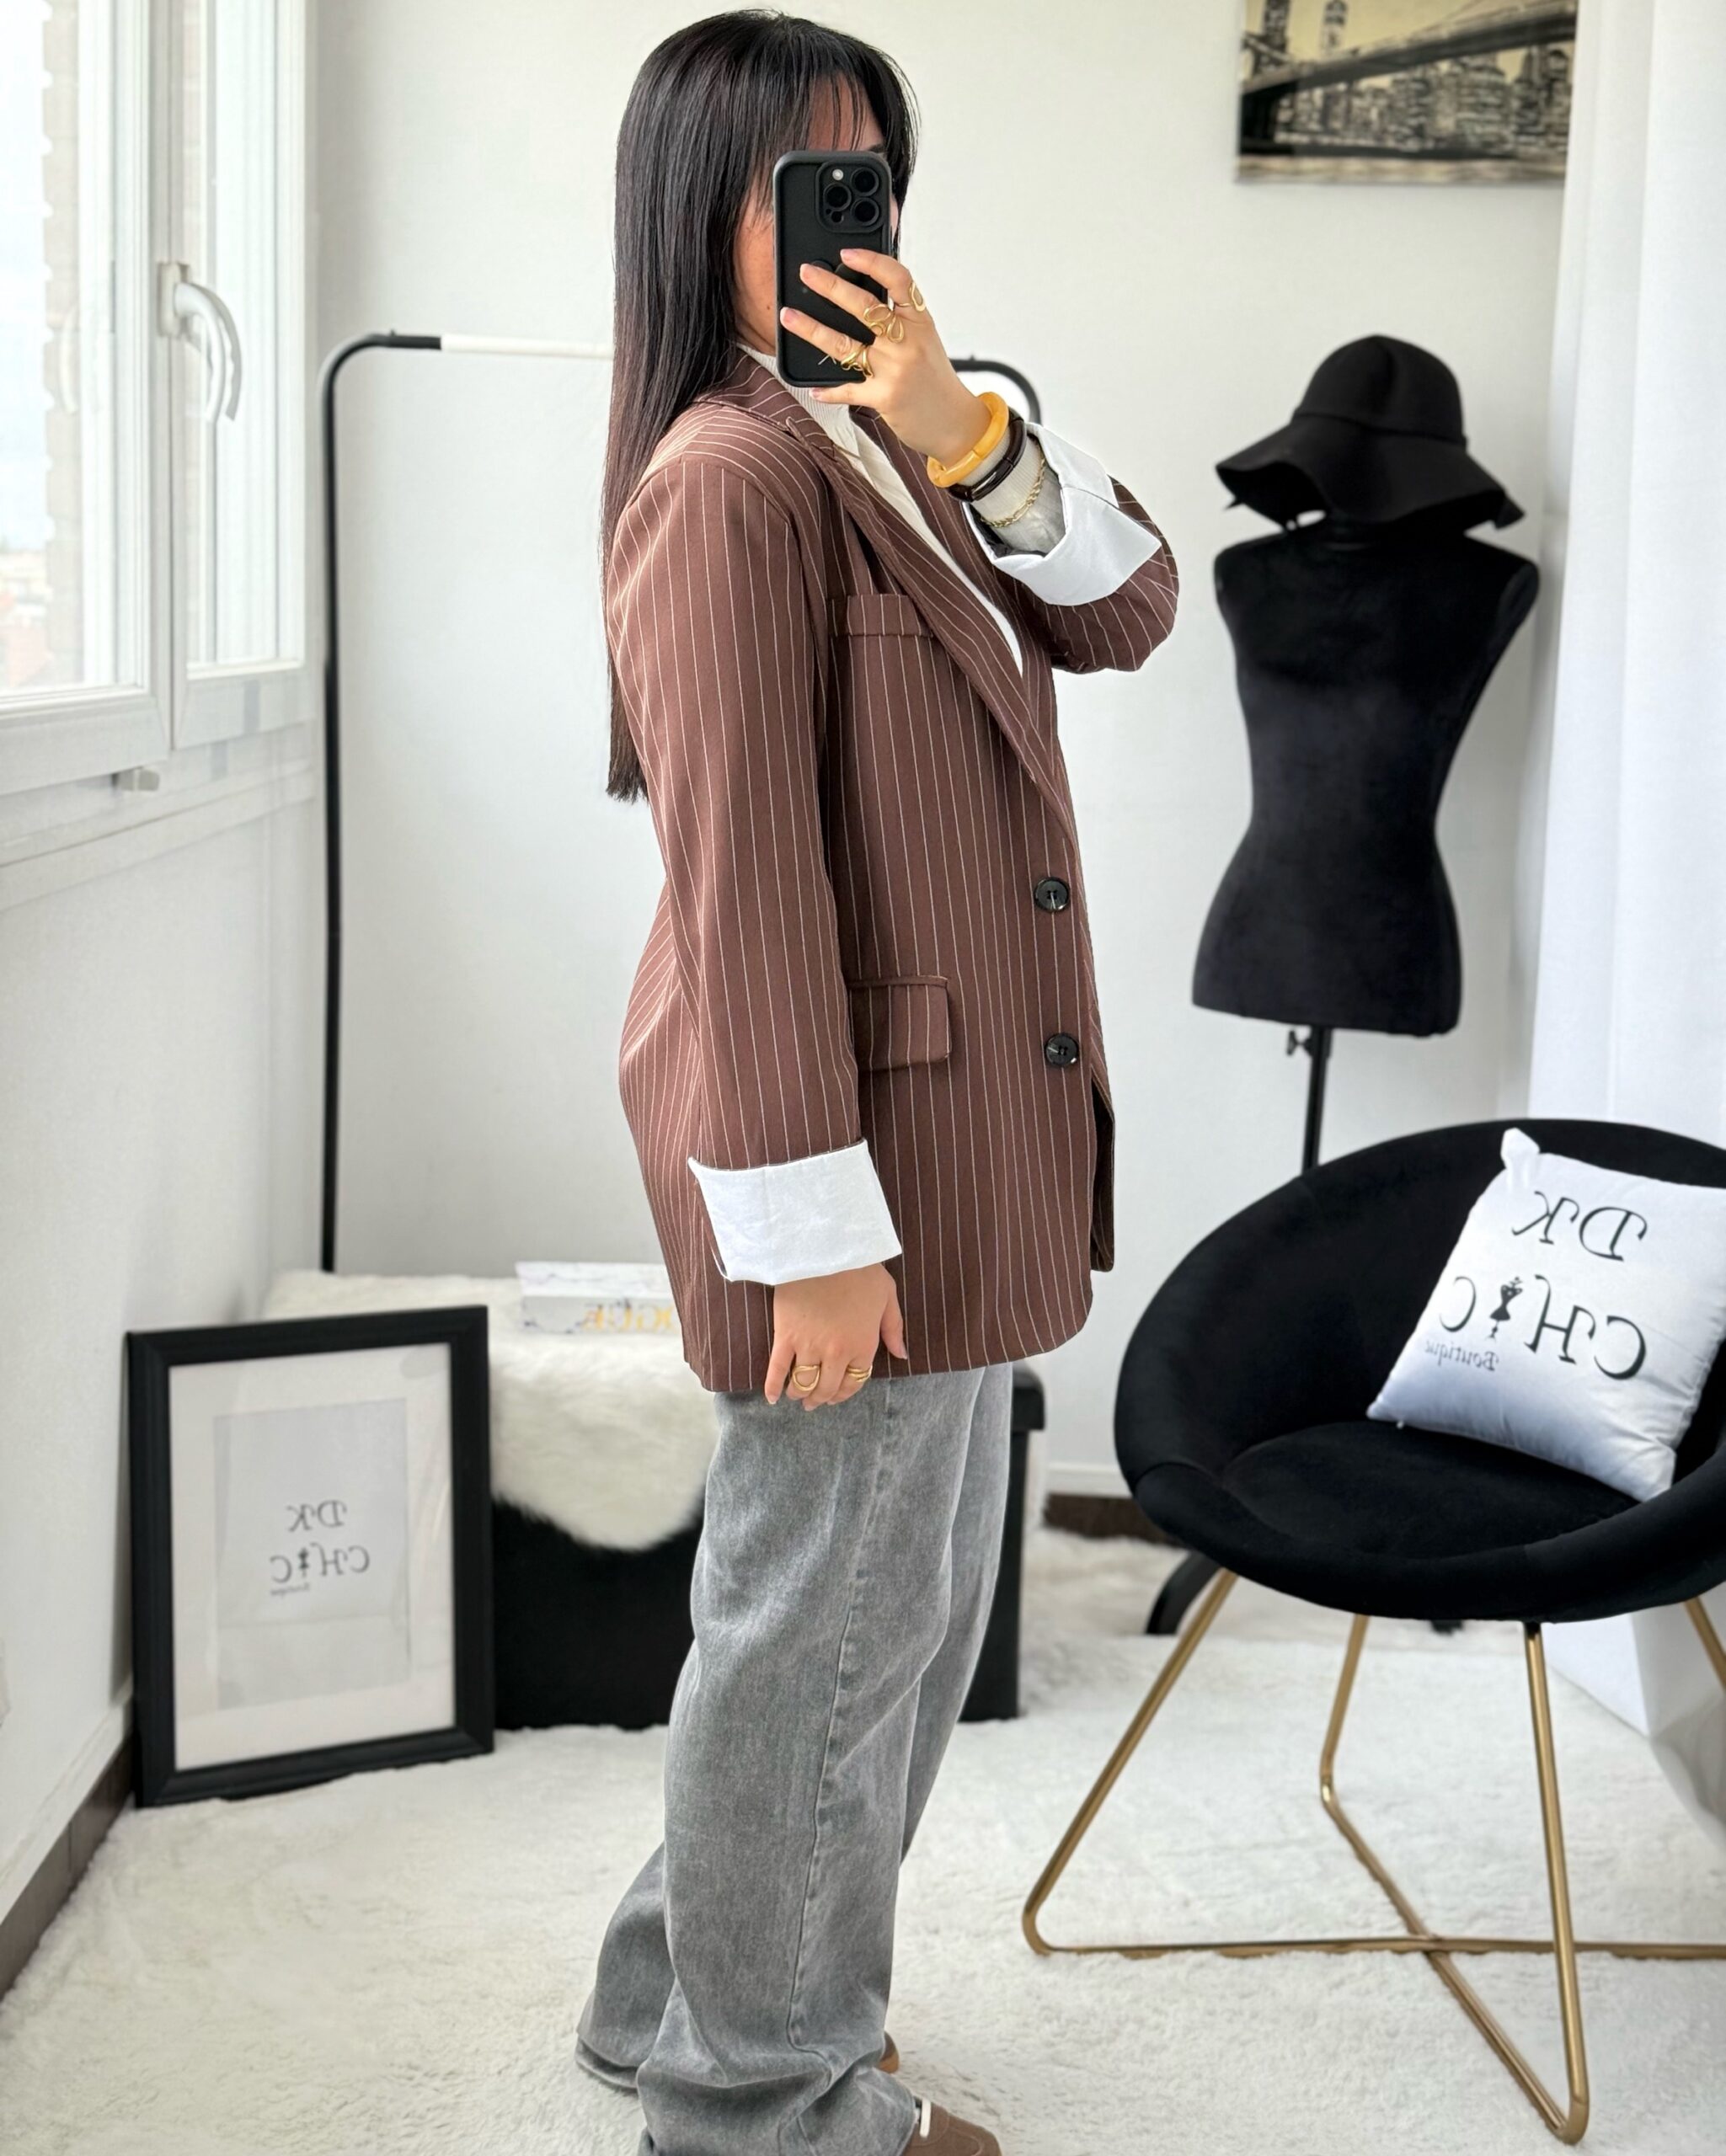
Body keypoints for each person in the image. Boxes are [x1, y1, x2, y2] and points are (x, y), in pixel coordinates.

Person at [576, 14, 1178, 2154]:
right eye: (801, 181)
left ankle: (669, 2002)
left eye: (872, 179)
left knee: (870, 1618)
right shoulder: (725, 481)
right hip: (854, 1157)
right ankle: (759, 2094)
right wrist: (810, 1235)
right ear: (698, 211)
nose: (856, 222)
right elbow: (742, 888)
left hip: (959, 1131)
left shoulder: (892, 430)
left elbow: (1127, 607)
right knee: (825, 1637)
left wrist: (962, 423)